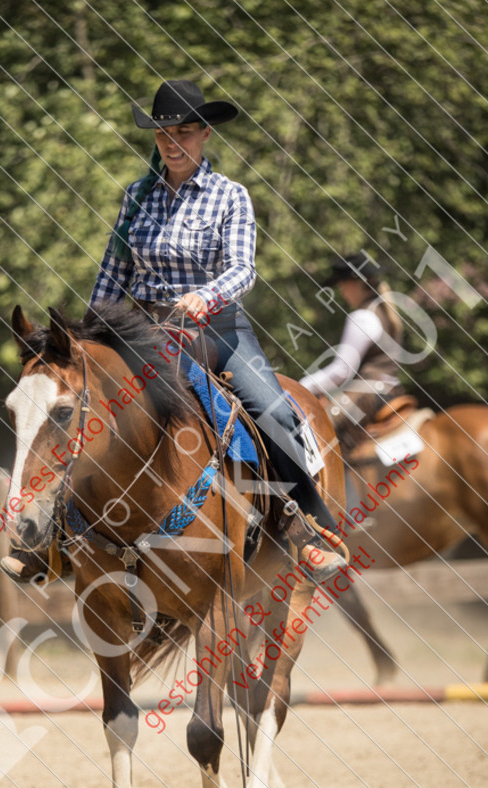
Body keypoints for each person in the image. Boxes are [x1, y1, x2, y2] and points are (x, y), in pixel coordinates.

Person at [88, 78, 347, 582]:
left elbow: (243, 269)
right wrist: (89, 330)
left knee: (273, 410)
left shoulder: (231, 196)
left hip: (218, 333)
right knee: (80, 408)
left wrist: (205, 296)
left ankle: (308, 525)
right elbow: (111, 272)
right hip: (145, 336)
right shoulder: (135, 197)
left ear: (205, 134)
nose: (173, 142)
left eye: (184, 131)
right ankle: (56, 534)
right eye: (164, 133)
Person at [300, 255, 404, 456]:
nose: (341, 291)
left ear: (359, 282)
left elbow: (341, 371)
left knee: (308, 434)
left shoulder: (363, 317)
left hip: (366, 396)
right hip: (391, 391)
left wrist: (303, 386)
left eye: (343, 284)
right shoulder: (387, 312)